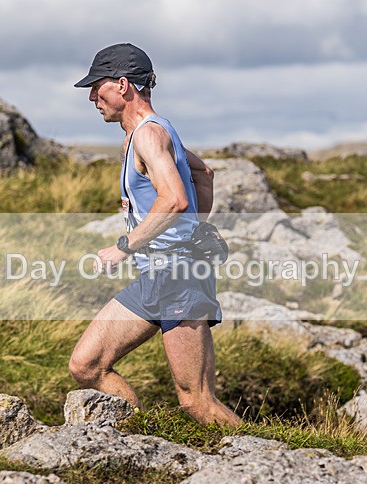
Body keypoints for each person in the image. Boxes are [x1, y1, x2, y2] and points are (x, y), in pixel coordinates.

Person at [69, 43, 241, 426]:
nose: (93, 97)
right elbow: (203, 176)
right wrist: (192, 231)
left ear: (123, 85)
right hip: (159, 276)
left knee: (196, 402)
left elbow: (176, 198)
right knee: (87, 365)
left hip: (178, 277)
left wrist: (124, 246)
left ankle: (267, 463)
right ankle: (138, 439)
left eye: (98, 86)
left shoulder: (148, 135)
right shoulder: (150, 133)